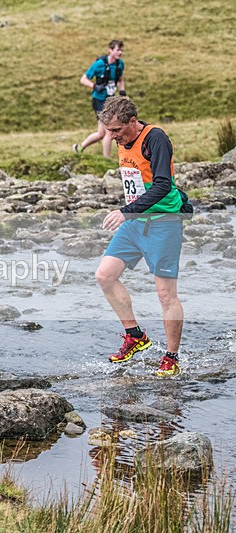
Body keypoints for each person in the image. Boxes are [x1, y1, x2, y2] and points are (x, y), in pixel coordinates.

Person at [95, 96, 189, 377]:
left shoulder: (155, 138)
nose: (111, 137)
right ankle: (135, 336)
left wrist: (126, 211)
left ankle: (171, 357)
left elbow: (162, 185)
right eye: (108, 131)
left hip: (163, 222)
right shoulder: (122, 139)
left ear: (132, 122)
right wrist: (130, 213)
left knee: (165, 295)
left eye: (116, 131)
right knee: (105, 276)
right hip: (135, 222)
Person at [73, 40, 126, 158]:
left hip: (111, 100)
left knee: (101, 133)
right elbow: (83, 79)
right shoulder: (99, 64)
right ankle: (106, 159)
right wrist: (94, 86)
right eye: (118, 50)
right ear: (110, 50)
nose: (120, 52)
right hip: (99, 101)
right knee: (109, 131)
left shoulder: (120, 64)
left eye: (122, 50)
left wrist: (122, 91)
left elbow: (120, 80)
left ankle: (79, 147)